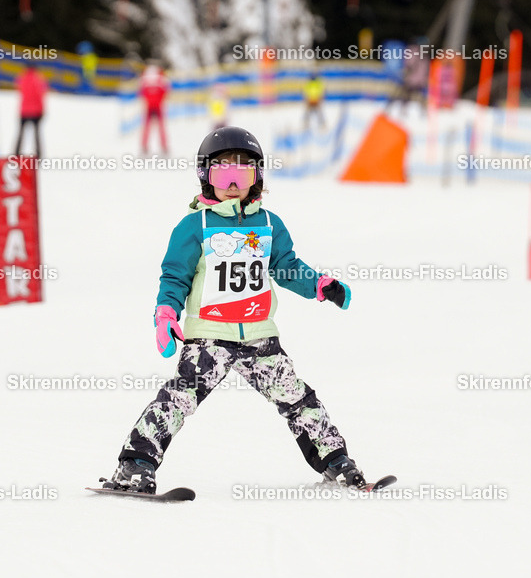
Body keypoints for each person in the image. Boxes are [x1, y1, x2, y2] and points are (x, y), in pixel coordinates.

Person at [102, 126, 366, 494]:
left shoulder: (270, 224)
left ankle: (336, 461)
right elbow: (175, 277)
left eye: (242, 172)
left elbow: (286, 266)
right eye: (221, 172)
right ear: (204, 176)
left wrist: (319, 286)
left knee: (297, 398)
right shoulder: (195, 226)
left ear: (256, 177)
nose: (231, 182)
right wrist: (166, 316)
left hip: (260, 336)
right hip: (210, 336)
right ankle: (135, 466)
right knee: (179, 399)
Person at [14, 63, 47, 158]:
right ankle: (39, 155)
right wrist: (42, 110)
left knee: (21, 134)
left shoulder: (22, 78)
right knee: (36, 135)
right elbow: (40, 95)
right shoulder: (38, 79)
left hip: (24, 111)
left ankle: (16, 154)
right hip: (36, 111)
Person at [138, 63, 169, 155]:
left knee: (151, 128)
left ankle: (147, 146)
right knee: (158, 128)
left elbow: (141, 93)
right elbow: (166, 91)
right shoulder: (160, 80)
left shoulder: (146, 81)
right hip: (155, 107)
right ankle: (162, 146)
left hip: (152, 107)